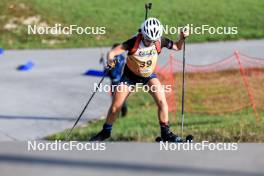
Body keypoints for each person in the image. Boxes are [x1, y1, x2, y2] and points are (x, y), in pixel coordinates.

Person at [90, 17, 189, 142]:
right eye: (148, 40)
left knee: (162, 101)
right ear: (143, 34)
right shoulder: (133, 42)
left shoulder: (159, 41)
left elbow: (177, 47)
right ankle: (105, 132)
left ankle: (165, 133)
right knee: (116, 107)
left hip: (148, 76)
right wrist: (110, 62)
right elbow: (112, 53)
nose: (150, 43)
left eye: (153, 40)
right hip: (130, 76)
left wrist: (182, 38)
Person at [103, 44, 128, 117]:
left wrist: (106, 67)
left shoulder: (114, 59)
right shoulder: (123, 58)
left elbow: (110, 72)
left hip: (115, 81)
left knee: (115, 99)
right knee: (121, 97)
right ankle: (122, 113)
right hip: (122, 80)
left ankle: (117, 114)